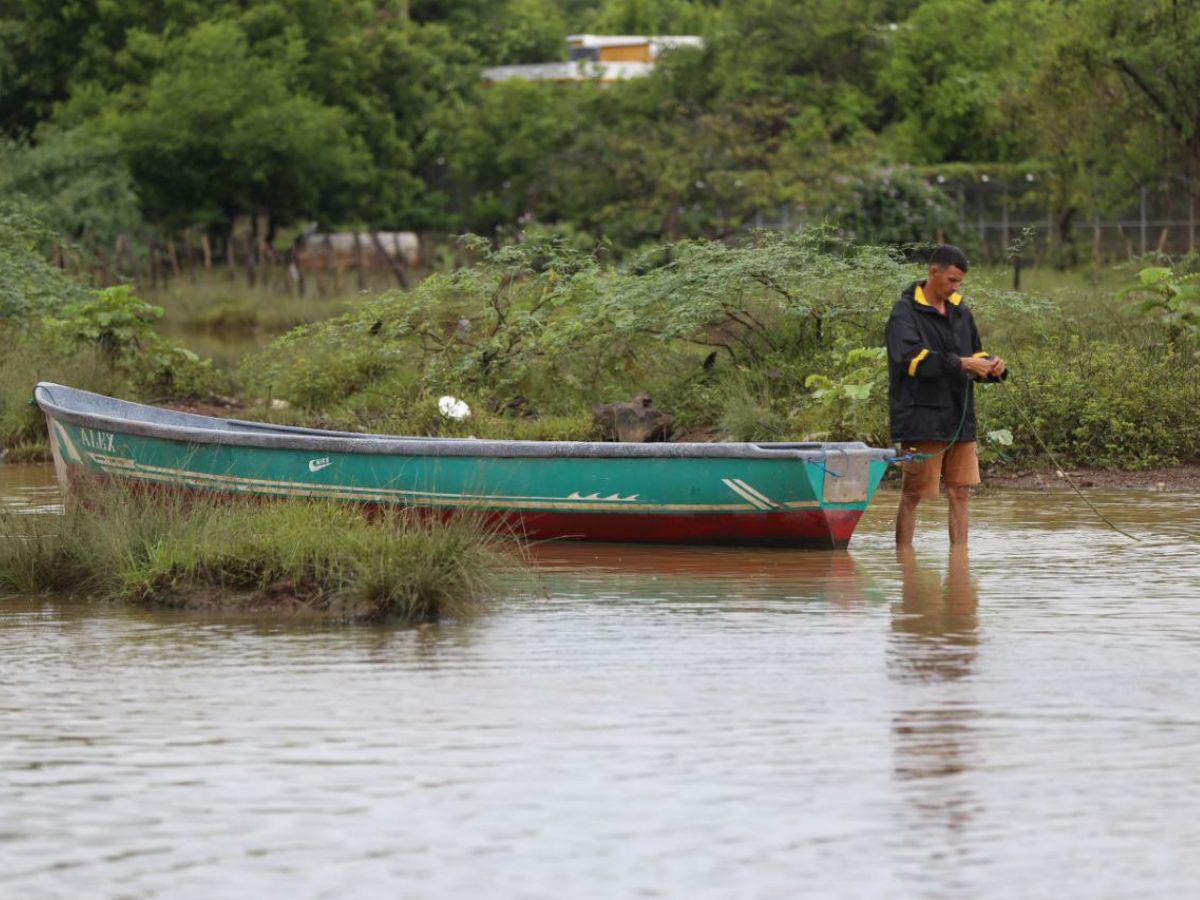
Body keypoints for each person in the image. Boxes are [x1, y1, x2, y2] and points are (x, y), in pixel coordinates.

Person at [885, 245, 1007, 547]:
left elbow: (975, 352)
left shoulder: (961, 312)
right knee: (914, 494)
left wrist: (993, 366)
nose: (955, 287)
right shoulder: (904, 312)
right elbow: (910, 359)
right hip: (921, 416)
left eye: (959, 283)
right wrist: (963, 363)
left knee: (960, 491)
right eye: (951, 280)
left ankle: (959, 563)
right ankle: (904, 563)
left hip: (959, 416)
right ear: (933, 272)